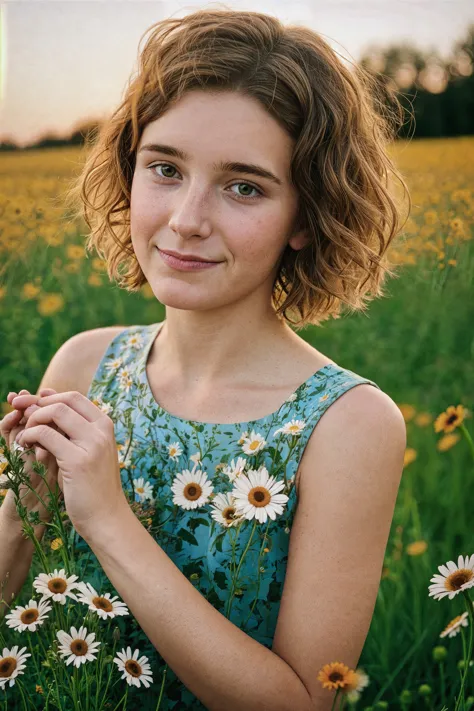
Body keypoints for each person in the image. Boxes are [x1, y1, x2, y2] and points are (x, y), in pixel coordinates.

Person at [0, 7, 410, 710]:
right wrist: (24, 500)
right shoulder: (84, 364)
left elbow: (303, 703)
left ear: (307, 217)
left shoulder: (349, 423)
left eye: (243, 186)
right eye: (165, 168)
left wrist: (105, 514)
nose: (187, 218)